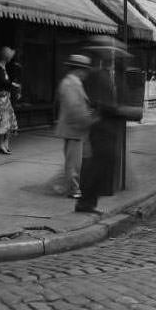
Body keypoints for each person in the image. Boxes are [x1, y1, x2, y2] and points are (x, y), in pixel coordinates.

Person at [75, 43, 122, 214]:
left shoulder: (107, 75)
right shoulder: (97, 75)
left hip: (107, 128)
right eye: (109, 57)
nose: (112, 60)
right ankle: (85, 202)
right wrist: (112, 108)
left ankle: (89, 202)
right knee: (96, 166)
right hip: (101, 128)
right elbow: (96, 101)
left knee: (101, 166)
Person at [54, 54, 94, 199]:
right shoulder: (71, 84)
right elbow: (74, 108)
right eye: (85, 70)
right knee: (74, 163)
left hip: (74, 128)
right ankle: (73, 189)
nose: (86, 74)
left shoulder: (72, 82)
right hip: (74, 128)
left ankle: (71, 187)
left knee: (74, 161)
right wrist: (87, 120)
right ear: (78, 70)